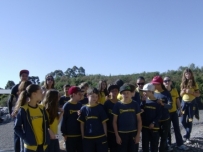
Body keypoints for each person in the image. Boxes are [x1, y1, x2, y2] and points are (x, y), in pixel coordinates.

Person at [14, 84, 50, 152]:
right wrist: (25, 138)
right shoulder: (23, 110)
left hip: (43, 146)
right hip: (30, 147)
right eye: (40, 92)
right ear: (34, 94)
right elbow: (16, 128)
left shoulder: (42, 108)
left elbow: (46, 124)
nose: (42, 93)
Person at [112, 84, 142, 152]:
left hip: (133, 133)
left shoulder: (135, 104)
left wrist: (138, 135)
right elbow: (114, 122)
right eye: (124, 93)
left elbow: (139, 120)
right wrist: (117, 136)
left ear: (131, 93)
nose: (126, 95)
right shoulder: (117, 105)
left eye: (128, 93)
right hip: (121, 134)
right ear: (121, 94)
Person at [78, 88, 108, 152]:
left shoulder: (100, 107)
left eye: (96, 96)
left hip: (100, 136)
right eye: (92, 96)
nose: (95, 98)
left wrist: (105, 135)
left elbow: (104, 123)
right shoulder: (83, 109)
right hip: (88, 138)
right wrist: (83, 136)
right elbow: (82, 124)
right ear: (87, 96)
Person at [163, 76, 189, 150]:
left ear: (171, 82)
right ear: (163, 83)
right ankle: (168, 145)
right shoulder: (162, 91)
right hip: (166, 113)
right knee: (167, 130)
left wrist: (180, 110)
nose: (167, 82)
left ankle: (180, 144)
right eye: (165, 81)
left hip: (174, 112)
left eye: (168, 80)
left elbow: (177, 101)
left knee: (177, 128)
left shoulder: (174, 90)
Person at [7, 69, 29, 152]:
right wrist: (10, 112)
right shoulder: (15, 87)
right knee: (17, 132)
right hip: (18, 111)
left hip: (29, 111)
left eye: (26, 76)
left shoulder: (30, 85)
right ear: (20, 77)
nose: (24, 77)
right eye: (23, 76)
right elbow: (9, 100)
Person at [151, 76, 173, 152]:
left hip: (165, 120)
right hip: (156, 120)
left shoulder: (166, 93)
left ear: (159, 84)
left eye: (154, 84)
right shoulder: (152, 93)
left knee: (164, 138)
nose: (153, 86)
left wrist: (163, 104)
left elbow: (170, 106)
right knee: (155, 139)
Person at [180, 68, 200, 144]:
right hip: (184, 103)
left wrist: (191, 92)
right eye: (186, 74)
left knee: (190, 120)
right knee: (182, 120)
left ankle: (187, 136)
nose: (188, 75)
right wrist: (182, 92)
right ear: (184, 75)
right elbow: (181, 95)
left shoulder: (195, 84)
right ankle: (187, 131)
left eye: (189, 74)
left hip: (192, 104)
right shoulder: (182, 83)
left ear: (191, 74)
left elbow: (198, 94)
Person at [140, 83, 161, 152]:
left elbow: (159, 115)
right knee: (145, 145)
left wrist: (153, 122)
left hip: (154, 127)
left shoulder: (157, 102)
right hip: (145, 127)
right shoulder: (144, 101)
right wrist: (142, 102)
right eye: (144, 91)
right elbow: (140, 110)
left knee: (154, 145)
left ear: (151, 92)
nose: (144, 93)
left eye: (146, 91)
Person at [61, 86, 83, 152]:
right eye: (79, 94)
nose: (81, 96)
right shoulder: (67, 105)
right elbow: (63, 120)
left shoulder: (80, 105)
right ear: (73, 94)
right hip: (70, 136)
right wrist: (64, 134)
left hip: (79, 135)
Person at [103, 84, 119, 152]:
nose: (114, 92)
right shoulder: (107, 103)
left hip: (119, 130)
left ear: (118, 92)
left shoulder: (120, 103)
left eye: (116, 91)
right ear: (109, 92)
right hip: (109, 131)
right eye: (112, 91)